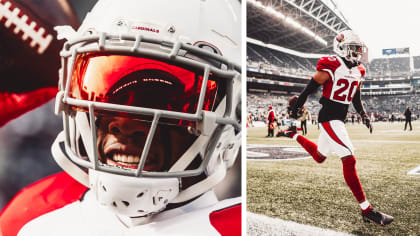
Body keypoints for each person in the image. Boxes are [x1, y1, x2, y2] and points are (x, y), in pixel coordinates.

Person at [0, 0, 242, 235]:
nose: (124, 123)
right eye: (104, 90)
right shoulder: (33, 217)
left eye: (170, 99)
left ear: (232, 113)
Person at [278, 30, 393, 226]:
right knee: (349, 158)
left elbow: (355, 97)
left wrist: (363, 115)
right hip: (329, 117)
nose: (357, 52)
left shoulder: (359, 70)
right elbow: (308, 90)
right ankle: (367, 210)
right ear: (341, 47)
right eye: (353, 48)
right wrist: (294, 110)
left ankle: (292, 135)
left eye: (358, 48)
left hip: (339, 118)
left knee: (320, 157)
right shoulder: (331, 65)